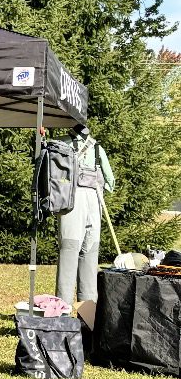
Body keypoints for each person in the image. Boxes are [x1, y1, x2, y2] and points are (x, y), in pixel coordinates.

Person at [56, 124, 115, 304]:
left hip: (70, 200)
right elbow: (110, 183)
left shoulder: (61, 145)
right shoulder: (98, 148)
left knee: (69, 251)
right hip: (94, 200)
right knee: (90, 253)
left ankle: (62, 312)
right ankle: (88, 315)